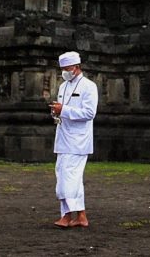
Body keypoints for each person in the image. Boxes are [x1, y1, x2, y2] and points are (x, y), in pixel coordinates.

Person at [51, 50, 98, 228]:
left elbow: (89, 113)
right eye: (62, 69)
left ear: (76, 67)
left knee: (69, 178)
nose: (64, 72)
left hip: (79, 140)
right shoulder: (63, 87)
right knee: (63, 175)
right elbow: (63, 109)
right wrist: (57, 112)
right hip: (63, 137)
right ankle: (80, 215)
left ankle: (67, 215)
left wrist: (64, 110)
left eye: (67, 68)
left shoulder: (89, 86)